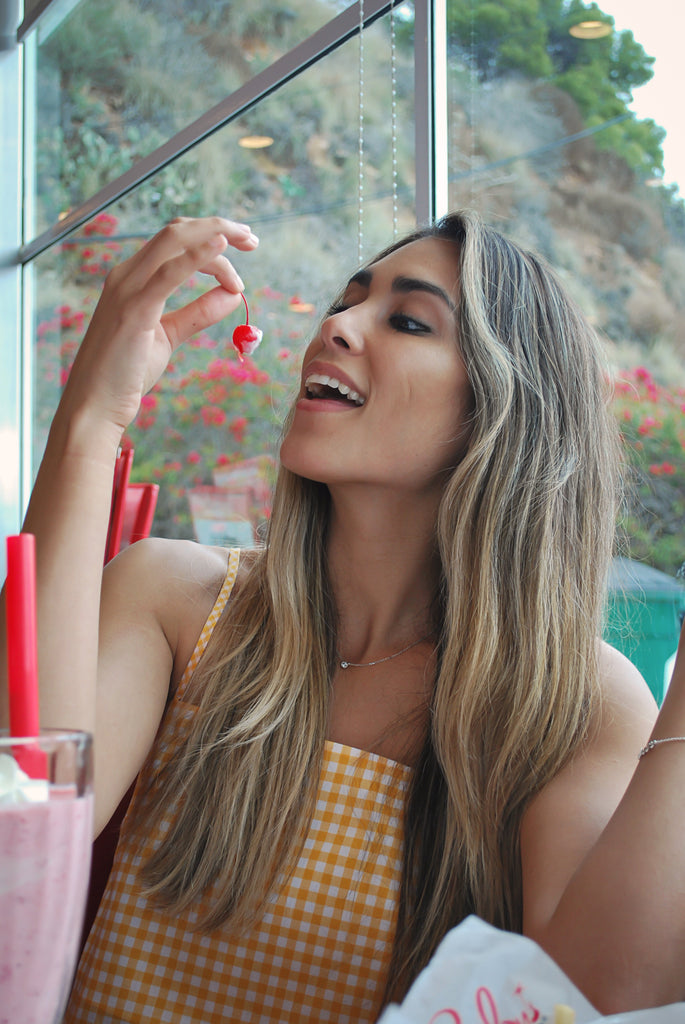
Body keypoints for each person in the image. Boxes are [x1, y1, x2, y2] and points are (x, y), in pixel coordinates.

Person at [1, 212, 684, 1023]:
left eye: (407, 321)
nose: (337, 326)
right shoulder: (175, 601)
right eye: (345, 301)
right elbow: (18, 830)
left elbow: (596, 999)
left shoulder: (575, 704)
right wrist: (93, 418)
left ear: (503, 410)